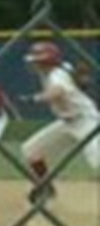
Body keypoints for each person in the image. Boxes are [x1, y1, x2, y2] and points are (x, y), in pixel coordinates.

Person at [20, 41, 100, 203]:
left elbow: (58, 92)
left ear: (45, 61)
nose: (33, 64)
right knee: (32, 151)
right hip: (68, 123)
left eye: (36, 61)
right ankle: (45, 188)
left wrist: (36, 98)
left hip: (87, 121)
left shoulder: (56, 74)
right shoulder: (56, 71)